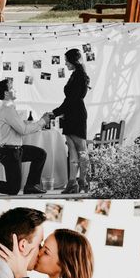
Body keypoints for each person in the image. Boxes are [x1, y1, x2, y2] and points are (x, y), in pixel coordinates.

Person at [0, 78, 50, 195]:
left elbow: (20, 127)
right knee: (13, 189)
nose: (15, 90)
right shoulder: (7, 109)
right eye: (12, 88)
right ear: (6, 93)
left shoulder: (10, 108)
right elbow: (23, 130)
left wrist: (32, 124)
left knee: (40, 154)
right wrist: (42, 121)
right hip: (9, 153)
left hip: (16, 150)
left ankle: (31, 186)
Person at [50, 49, 90, 194]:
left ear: (73, 60)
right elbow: (69, 100)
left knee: (81, 150)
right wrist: (58, 112)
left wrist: (55, 112)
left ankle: (83, 181)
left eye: (67, 60)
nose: (65, 63)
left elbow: (72, 99)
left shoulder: (79, 75)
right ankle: (72, 182)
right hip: (70, 114)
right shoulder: (76, 75)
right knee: (72, 150)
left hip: (76, 114)